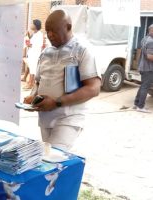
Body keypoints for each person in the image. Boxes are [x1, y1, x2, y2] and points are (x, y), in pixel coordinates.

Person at [24, 10, 101, 151]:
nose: (50, 35)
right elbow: (38, 82)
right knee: (49, 158)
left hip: (68, 118)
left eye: (54, 31)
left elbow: (93, 88)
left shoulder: (82, 50)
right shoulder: (46, 53)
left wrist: (56, 102)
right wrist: (33, 98)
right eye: (48, 31)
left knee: (51, 157)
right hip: (45, 118)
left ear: (68, 27)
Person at [133, 24, 153, 113]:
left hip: (143, 67)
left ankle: (136, 103)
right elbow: (149, 57)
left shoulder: (144, 39)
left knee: (142, 86)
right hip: (148, 68)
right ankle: (140, 107)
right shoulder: (151, 41)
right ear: (151, 30)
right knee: (145, 87)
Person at [23, 19, 44, 90]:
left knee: (32, 69)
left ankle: (30, 84)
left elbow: (30, 45)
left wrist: (26, 37)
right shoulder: (35, 34)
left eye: (32, 23)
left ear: (35, 26)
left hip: (35, 55)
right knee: (30, 68)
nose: (31, 25)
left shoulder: (39, 35)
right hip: (32, 54)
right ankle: (27, 80)